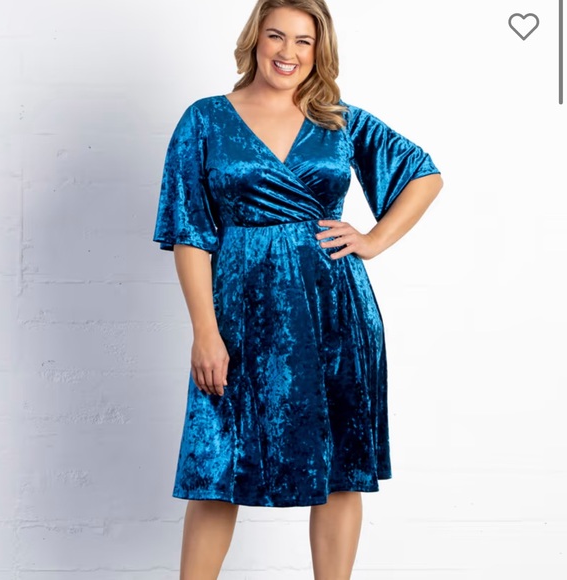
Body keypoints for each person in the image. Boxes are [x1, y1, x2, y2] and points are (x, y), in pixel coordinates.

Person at [153, 0, 443, 578]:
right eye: (276, 36)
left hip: (335, 311)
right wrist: (205, 332)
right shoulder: (205, 119)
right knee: (217, 465)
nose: (287, 52)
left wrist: (374, 239)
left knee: (341, 469)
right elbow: (189, 234)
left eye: (303, 41)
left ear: (319, 50)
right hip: (239, 314)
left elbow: (424, 174)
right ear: (254, 40)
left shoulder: (339, 121)